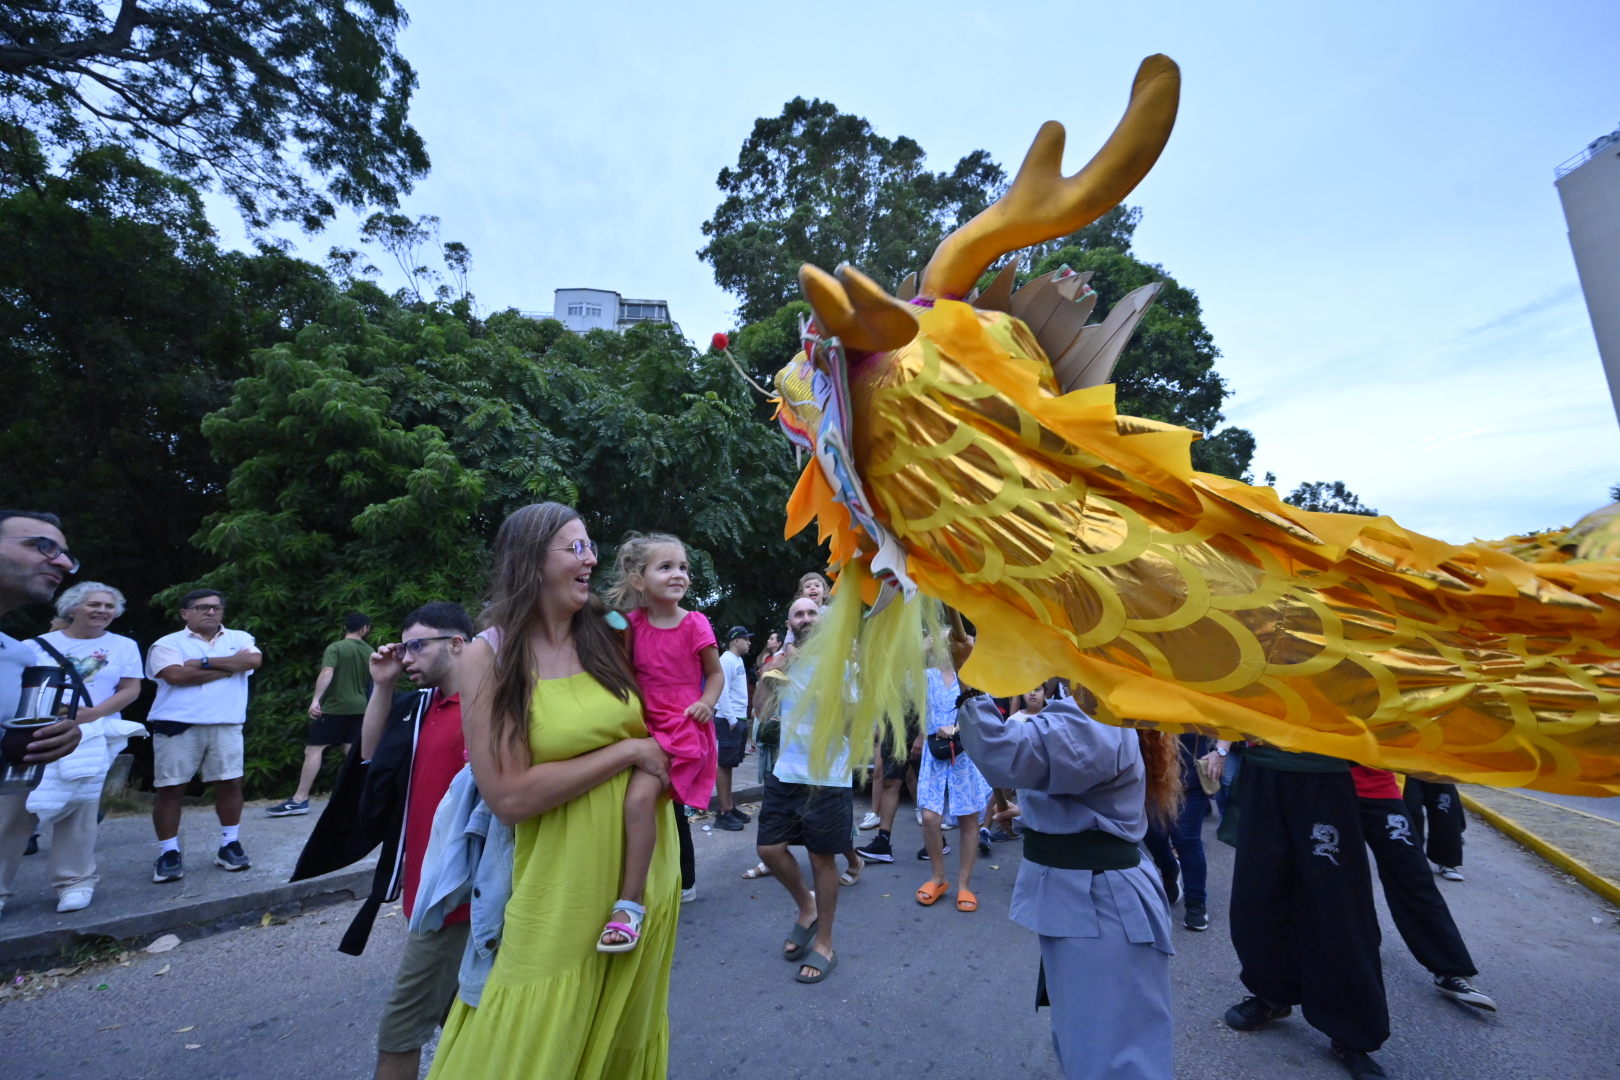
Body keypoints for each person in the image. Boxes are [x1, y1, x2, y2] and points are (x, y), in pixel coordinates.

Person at [428, 502, 676, 1080]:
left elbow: (679, 688)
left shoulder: (611, 637)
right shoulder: (489, 655)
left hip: (640, 882)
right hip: (558, 881)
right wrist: (629, 751)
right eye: (575, 548)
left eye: (590, 545)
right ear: (532, 563)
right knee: (526, 1042)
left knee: (623, 1032)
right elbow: (509, 797)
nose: (590, 559)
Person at [957, 671, 1176, 1079]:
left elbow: (1006, 756)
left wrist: (971, 686)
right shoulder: (1092, 703)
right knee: (1088, 1042)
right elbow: (1089, 800)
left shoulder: (1095, 713)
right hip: (1088, 895)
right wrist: (1029, 816)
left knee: (1111, 1056)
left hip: (1100, 901)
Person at [359, 603, 478, 1080]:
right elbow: (371, 759)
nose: (406, 656)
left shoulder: (484, 704)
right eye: (404, 645)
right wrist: (383, 685)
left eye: (416, 646)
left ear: (456, 644)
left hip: (458, 894)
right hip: (423, 887)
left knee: (399, 1031)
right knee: (461, 1021)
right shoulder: (420, 706)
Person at [1222, 742, 1389, 1080]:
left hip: (1323, 775)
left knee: (1338, 907)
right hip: (1261, 771)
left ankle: (1352, 1033)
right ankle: (1271, 994)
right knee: (1257, 897)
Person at [600, 532, 721, 946]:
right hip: (641, 724)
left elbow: (716, 673)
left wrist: (707, 701)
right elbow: (606, 637)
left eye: (683, 567)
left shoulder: (695, 622)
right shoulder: (629, 625)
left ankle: (630, 905)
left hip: (682, 725)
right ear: (638, 579)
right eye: (666, 567)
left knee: (638, 801)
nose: (679, 574)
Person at [4, 583, 144, 914]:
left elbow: (130, 688)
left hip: (92, 733)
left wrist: (92, 713)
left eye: (109, 606)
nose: (103, 611)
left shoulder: (124, 646)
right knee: (12, 809)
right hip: (36, 732)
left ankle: (75, 882)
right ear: (72, 608)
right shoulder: (32, 646)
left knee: (81, 806)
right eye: (93, 604)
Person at [755, 597, 851, 983]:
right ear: (791, 622)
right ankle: (806, 906)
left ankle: (825, 942)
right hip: (786, 770)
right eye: (799, 613)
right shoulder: (782, 661)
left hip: (827, 775)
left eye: (813, 613)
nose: (807, 618)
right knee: (769, 849)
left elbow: (851, 723)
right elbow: (761, 712)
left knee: (822, 859)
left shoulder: (843, 662)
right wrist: (771, 673)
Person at [1352, 766, 1496, 1011]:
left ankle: (1450, 969)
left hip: (1381, 791)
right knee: (1343, 879)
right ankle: (1361, 942)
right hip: (1328, 790)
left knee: (1413, 877)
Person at [145, 589, 263, 882]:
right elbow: (176, 676)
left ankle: (229, 845)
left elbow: (253, 662)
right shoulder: (167, 643)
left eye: (216, 608)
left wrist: (203, 663)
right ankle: (169, 852)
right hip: (176, 723)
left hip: (226, 723)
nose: (211, 612)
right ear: (185, 613)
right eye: (202, 607)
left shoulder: (239, 637)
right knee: (171, 789)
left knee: (230, 784)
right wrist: (228, 667)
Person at [268, 611, 372, 817]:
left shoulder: (336, 647)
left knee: (314, 750)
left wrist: (316, 699)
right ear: (364, 629)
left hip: (335, 706)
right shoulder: (370, 650)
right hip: (361, 706)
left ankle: (300, 799)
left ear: (345, 628)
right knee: (352, 750)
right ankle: (369, 796)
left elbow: (327, 671)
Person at [915, 658, 990, 910]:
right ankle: (938, 877)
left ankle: (964, 884)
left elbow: (984, 714)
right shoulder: (925, 675)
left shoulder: (973, 675)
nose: (945, 647)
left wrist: (957, 727)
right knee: (929, 817)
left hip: (965, 753)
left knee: (969, 818)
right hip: (935, 752)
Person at [712, 626, 752, 832]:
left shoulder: (738, 660)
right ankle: (723, 812)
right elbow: (721, 690)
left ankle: (729, 806)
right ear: (736, 641)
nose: (749, 643)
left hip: (738, 718)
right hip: (730, 719)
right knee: (723, 764)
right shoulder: (726, 660)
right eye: (746, 639)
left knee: (729, 765)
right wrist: (730, 718)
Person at [1402, 776, 1467, 880]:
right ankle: (1411, 860)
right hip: (1406, 765)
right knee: (1409, 809)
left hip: (1438, 765)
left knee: (1445, 807)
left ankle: (1447, 862)